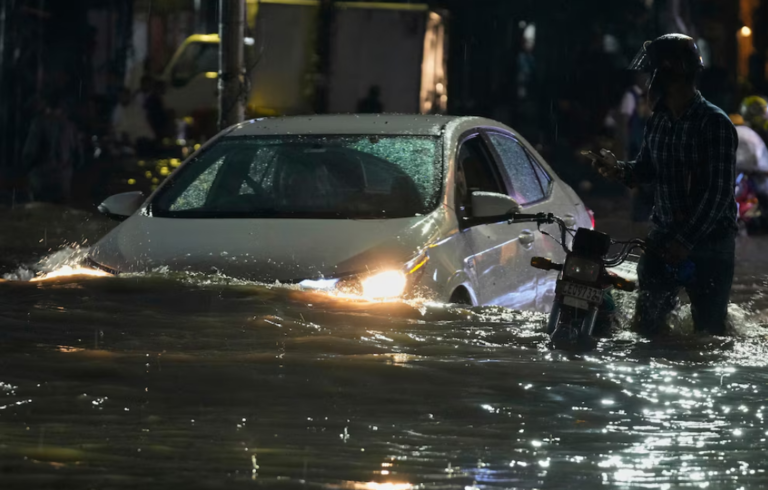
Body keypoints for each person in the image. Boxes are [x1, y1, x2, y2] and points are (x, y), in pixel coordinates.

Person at [583, 34, 738, 337]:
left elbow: (717, 195)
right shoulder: (659, 121)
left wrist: (685, 242)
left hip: (709, 245)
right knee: (646, 328)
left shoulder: (715, 124)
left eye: (652, 72)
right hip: (663, 239)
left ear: (670, 73)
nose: (647, 81)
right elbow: (646, 170)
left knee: (709, 335)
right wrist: (617, 169)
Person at [22, 94, 82, 204]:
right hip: (63, 181)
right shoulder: (70, 126)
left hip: (41, 180)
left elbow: (30, 154)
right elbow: (78, 157)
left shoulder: (38, 123)